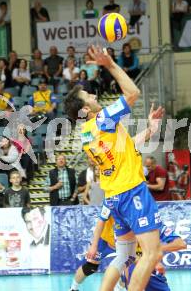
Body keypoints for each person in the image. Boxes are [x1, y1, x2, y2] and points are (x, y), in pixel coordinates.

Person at [64, 45, 165, 290]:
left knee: (125, 257)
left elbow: (126, 147)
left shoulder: (86, 135)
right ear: (85, 110)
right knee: (151, 254)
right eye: (89, 97)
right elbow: (133, 93)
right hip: (131, 192)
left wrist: (149, 131)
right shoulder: (101, 120)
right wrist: (109, 64)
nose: (95, 96)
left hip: (115, 197)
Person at [70, 209, 186, 291]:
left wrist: (154, 249)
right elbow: (101, 220)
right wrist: (94, 245)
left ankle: (122, 284)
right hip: (106, 239)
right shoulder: (114, 200)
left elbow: (181, 244)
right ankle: (73, 288)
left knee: (130, 263)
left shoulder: (150, 221)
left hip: (128, 244)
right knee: (91, 267)